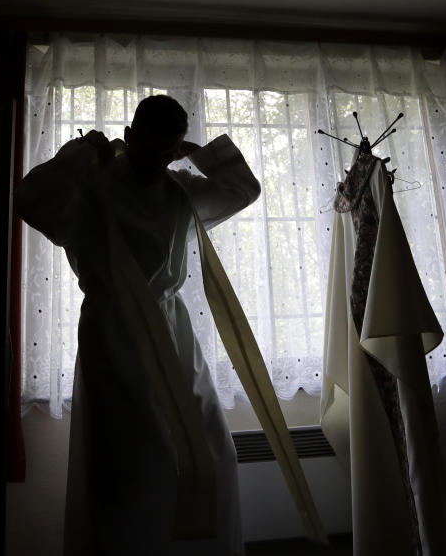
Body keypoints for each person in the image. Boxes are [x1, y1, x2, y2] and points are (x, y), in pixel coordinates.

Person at [14, 94, 262, 556]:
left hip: (173, 332)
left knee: (211, 453)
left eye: (168, 151)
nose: (158, 161)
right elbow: (31, 198)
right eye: (149, 148)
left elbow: (241, 190)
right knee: (131, 468)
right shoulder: (92, 187)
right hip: (114, 337)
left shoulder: (179, 189)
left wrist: (198, 155)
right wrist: (88, 148)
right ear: (128, 138)